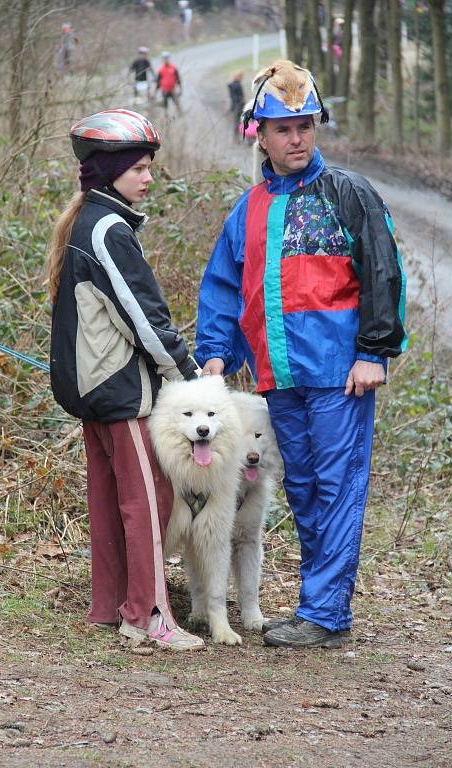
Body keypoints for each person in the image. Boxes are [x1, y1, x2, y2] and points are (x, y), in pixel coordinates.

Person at [195, 60, 407, 649]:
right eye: (284, 128)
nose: (297, 138)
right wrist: (215, 353)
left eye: (305, 126)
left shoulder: (348, 192)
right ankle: (319, 605)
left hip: (342, 375)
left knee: (338, 487)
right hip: (278, 376)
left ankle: (326, 613)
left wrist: (374, 351)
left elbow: (384, 273)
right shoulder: (250, 208)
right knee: (305, 487)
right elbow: (223, 286)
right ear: (259, 133)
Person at [47, 108, 204, 652]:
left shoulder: (89, 219)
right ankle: (150, 616)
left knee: (113, 502)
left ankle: (111, 604)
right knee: (148, 503)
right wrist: (188, 378)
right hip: (122, 395)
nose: (148, 177)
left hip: (93, 392)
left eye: (149, 166)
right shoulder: (110, 229)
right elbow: (145, 319)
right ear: (109, 168)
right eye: (139, 166)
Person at [227, 71, 245, 141]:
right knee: (240, 122)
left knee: (235, 122)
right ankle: (238, 138)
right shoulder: (238, 85)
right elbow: (241, 97)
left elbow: (231, 97)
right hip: (239, 106)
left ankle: (235, 138)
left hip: (233, 106)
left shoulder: (230, 85)